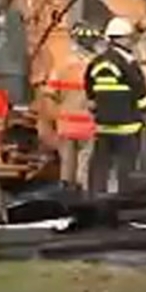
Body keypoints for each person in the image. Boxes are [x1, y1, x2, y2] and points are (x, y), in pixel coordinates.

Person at [85, 16, 146, 196]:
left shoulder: (96, 62)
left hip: (104, 124)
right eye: (128, 38)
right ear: (122, 38)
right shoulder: (128, 63)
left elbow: (90, 91)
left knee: (100, 163)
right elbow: (140, 91)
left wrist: (96, 107)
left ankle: (94, 196)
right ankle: (125, 196)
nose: (130, 41)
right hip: (127, 125)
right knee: (126, 165)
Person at [44, 25, 98, 189]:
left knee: (66, 168)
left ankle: (66, 198)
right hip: (89, 125)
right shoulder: (97, 67)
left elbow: (49, 95)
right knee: (85, 167)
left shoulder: (61, 66)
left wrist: (51, 122)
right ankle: (82, 201)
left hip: (66, 126)